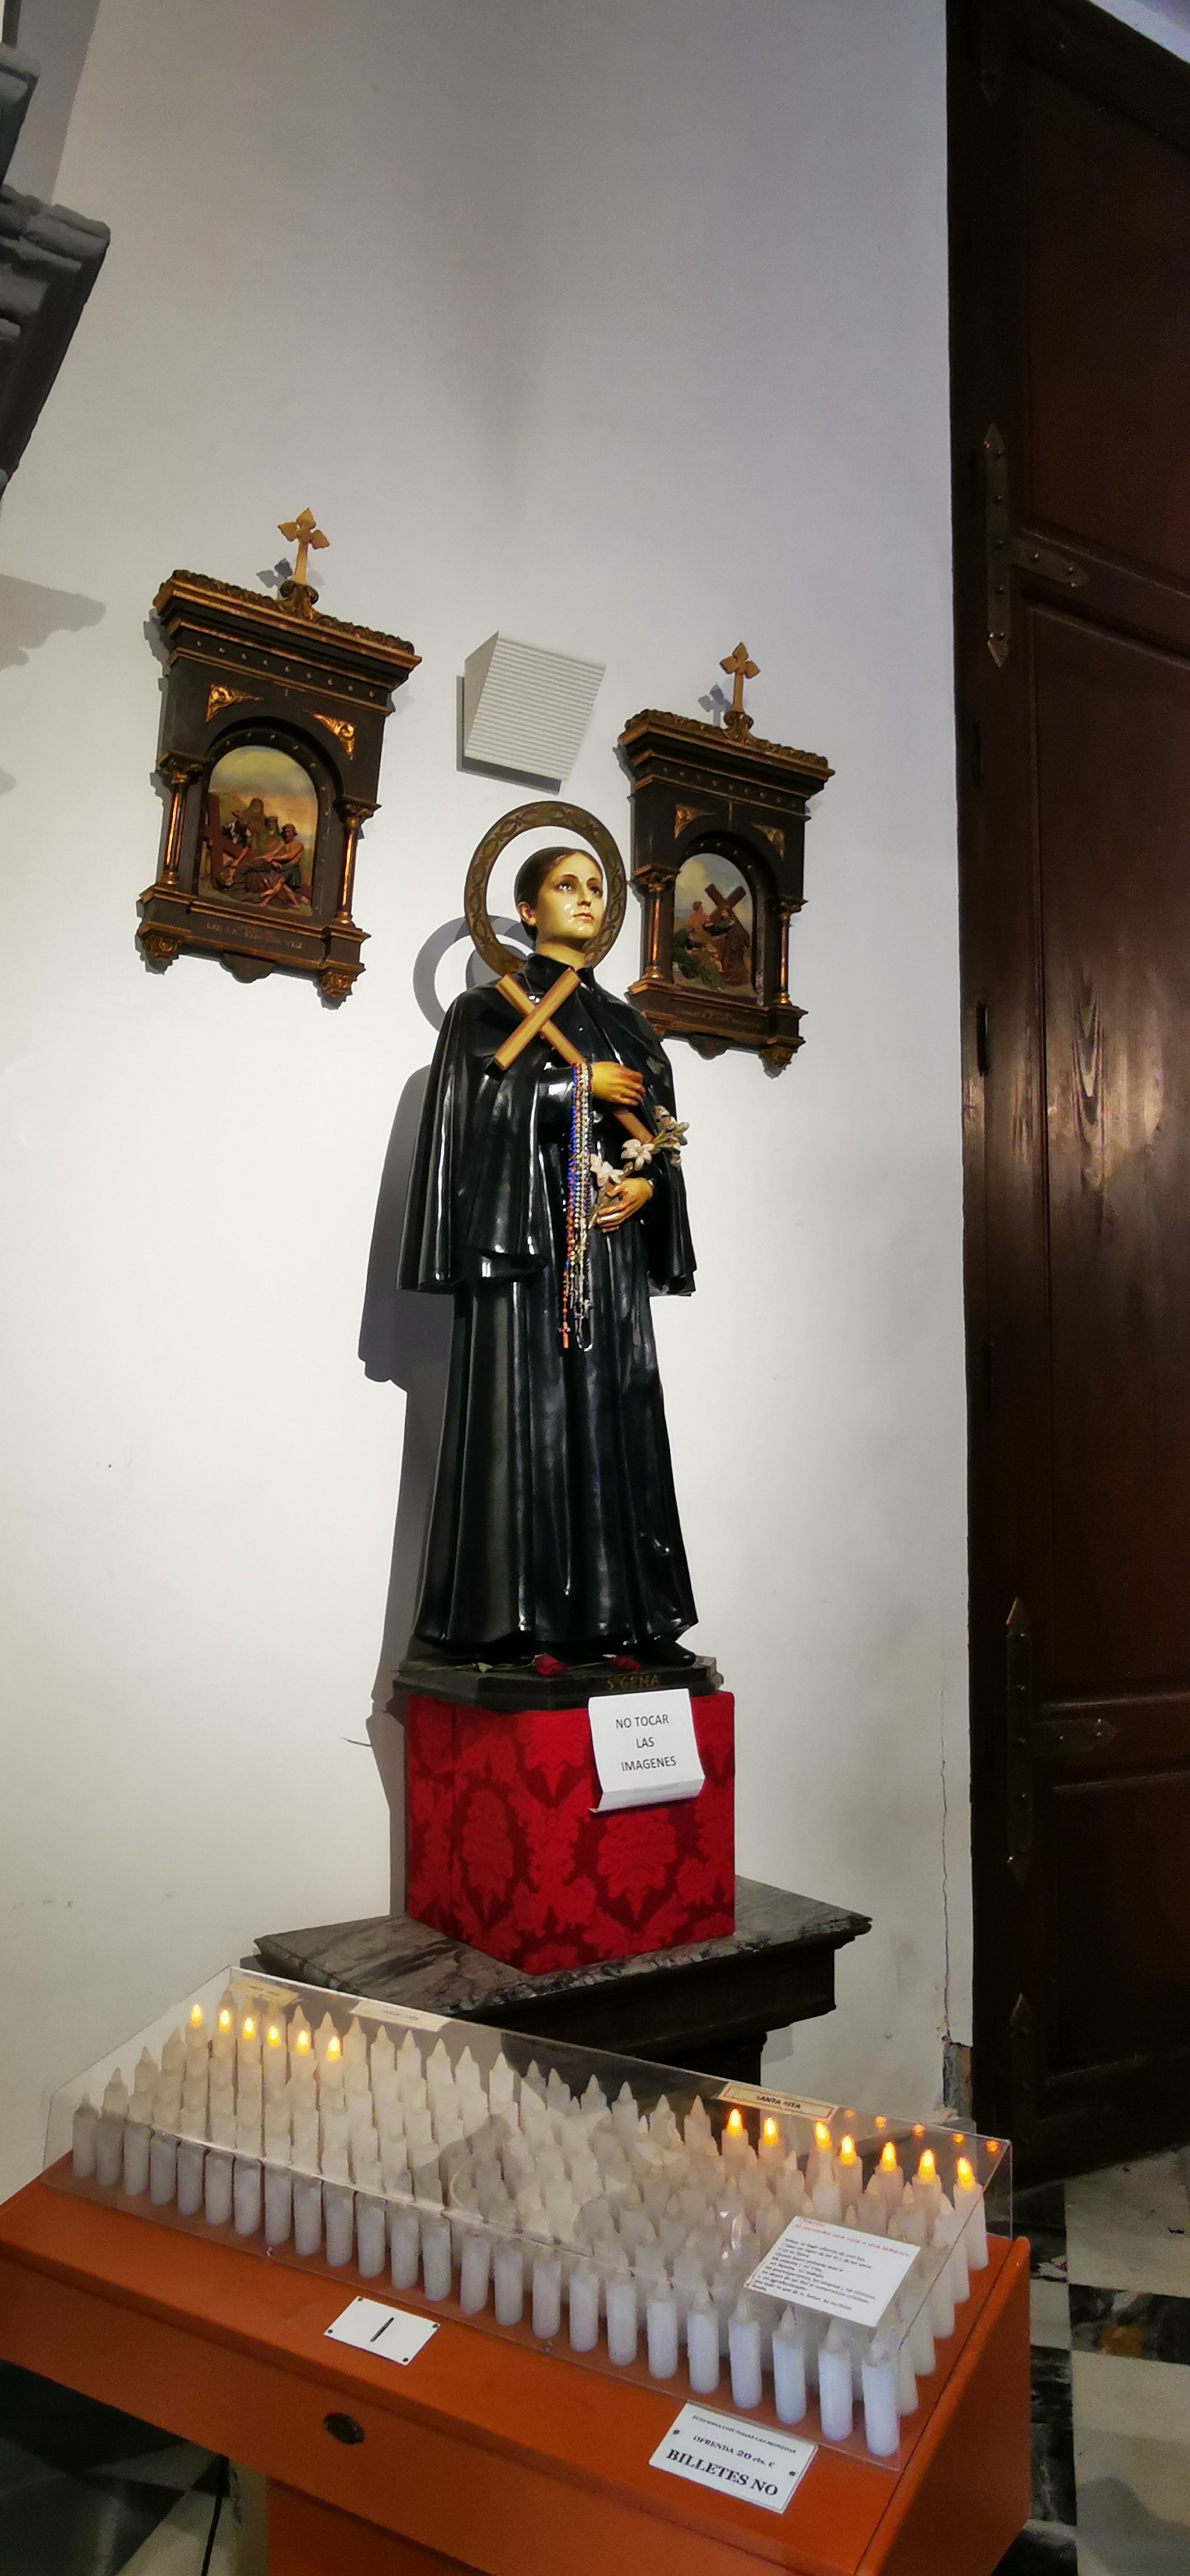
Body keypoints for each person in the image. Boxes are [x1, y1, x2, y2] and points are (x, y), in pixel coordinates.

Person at [399, 845, 697, 1661]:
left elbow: (661, 1138)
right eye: (567, 886)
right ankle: (517, 1621)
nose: (587, 899)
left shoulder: (629, 1023)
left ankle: (631, 1619)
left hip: (608, 1251)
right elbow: (473, 1116)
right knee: (526, 1423)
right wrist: (576, 1086)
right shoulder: (488, 1011)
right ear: (528, 911)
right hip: (527, 1254)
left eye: (597, 887)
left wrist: (648, 1187)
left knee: (620, 1419)